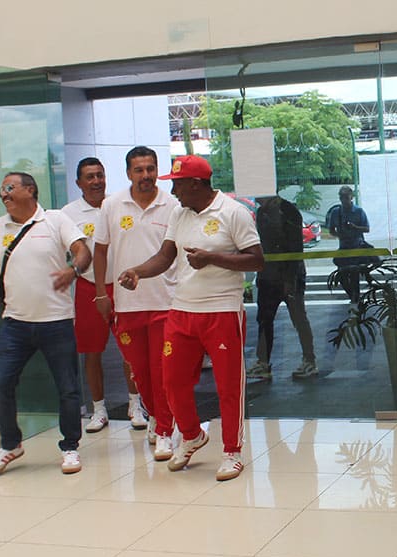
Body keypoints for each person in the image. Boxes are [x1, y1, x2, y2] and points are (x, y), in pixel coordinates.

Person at [117, 155, 263, 481]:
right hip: (182, 310)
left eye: (178, 184)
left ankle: (232, 452)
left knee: (228, 387)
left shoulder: (233, 212)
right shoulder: (179, 213)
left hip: (222, 311)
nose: (173, 190)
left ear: (196, 184)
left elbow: (256, 260)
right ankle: (192, 434)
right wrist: (138, 272)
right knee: (171, 381)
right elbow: (165, 256)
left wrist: (212, 258)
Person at [0, 172, 92, 476]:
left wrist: (73, 270)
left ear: (30, 190)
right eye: (1, 189)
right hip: (15, 324)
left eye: (10, 187)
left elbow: (83, 250)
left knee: (68, 388)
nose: (4, 194)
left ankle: (70, 446)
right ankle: (10, 444)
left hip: (56, 322)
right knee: (1, 384)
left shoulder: (55, 220)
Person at [94, 146, 179, 461]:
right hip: (127, 305)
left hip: (165, 302)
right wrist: (101, 294)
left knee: (162, 371)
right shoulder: (112, 205)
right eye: (139, 170)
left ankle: (165, 430)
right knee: (140, 372)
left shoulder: (172, 205)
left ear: (157, 170)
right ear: (128, 173)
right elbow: (100, 250)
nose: (146, 175)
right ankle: (155, 416)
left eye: (150, 169)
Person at [61, 157, 145, 433]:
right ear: (79, 183)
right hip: (88, 288)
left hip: (121, 286)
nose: (96, 181)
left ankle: (135, 405)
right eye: (90, 177)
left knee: (130, 349)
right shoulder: (68, 213)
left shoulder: (118, 205)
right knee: (92, 352)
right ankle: (98, 410)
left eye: (100, 175)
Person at [246, 195, 317, 381]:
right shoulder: (262, 212)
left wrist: (290, 280)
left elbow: (295, 248)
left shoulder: (287, 211)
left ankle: (309, 360)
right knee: (264, 319)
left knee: (298, 317)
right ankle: (263, 362)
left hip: (288, 275)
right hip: (268, 276)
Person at [327, 185, 372, 304]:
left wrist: (354, 227)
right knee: (341, 276)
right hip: (344, 247)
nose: (344, 200)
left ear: (351, 197)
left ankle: (355, 298)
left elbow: (367, 229)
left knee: (354, 275)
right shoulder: (336, 212)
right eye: (342, 198)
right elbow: (331, 230)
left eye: (346, 197)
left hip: (356, 247)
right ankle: (353, 296)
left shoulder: (359, 211)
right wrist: (339, 234)